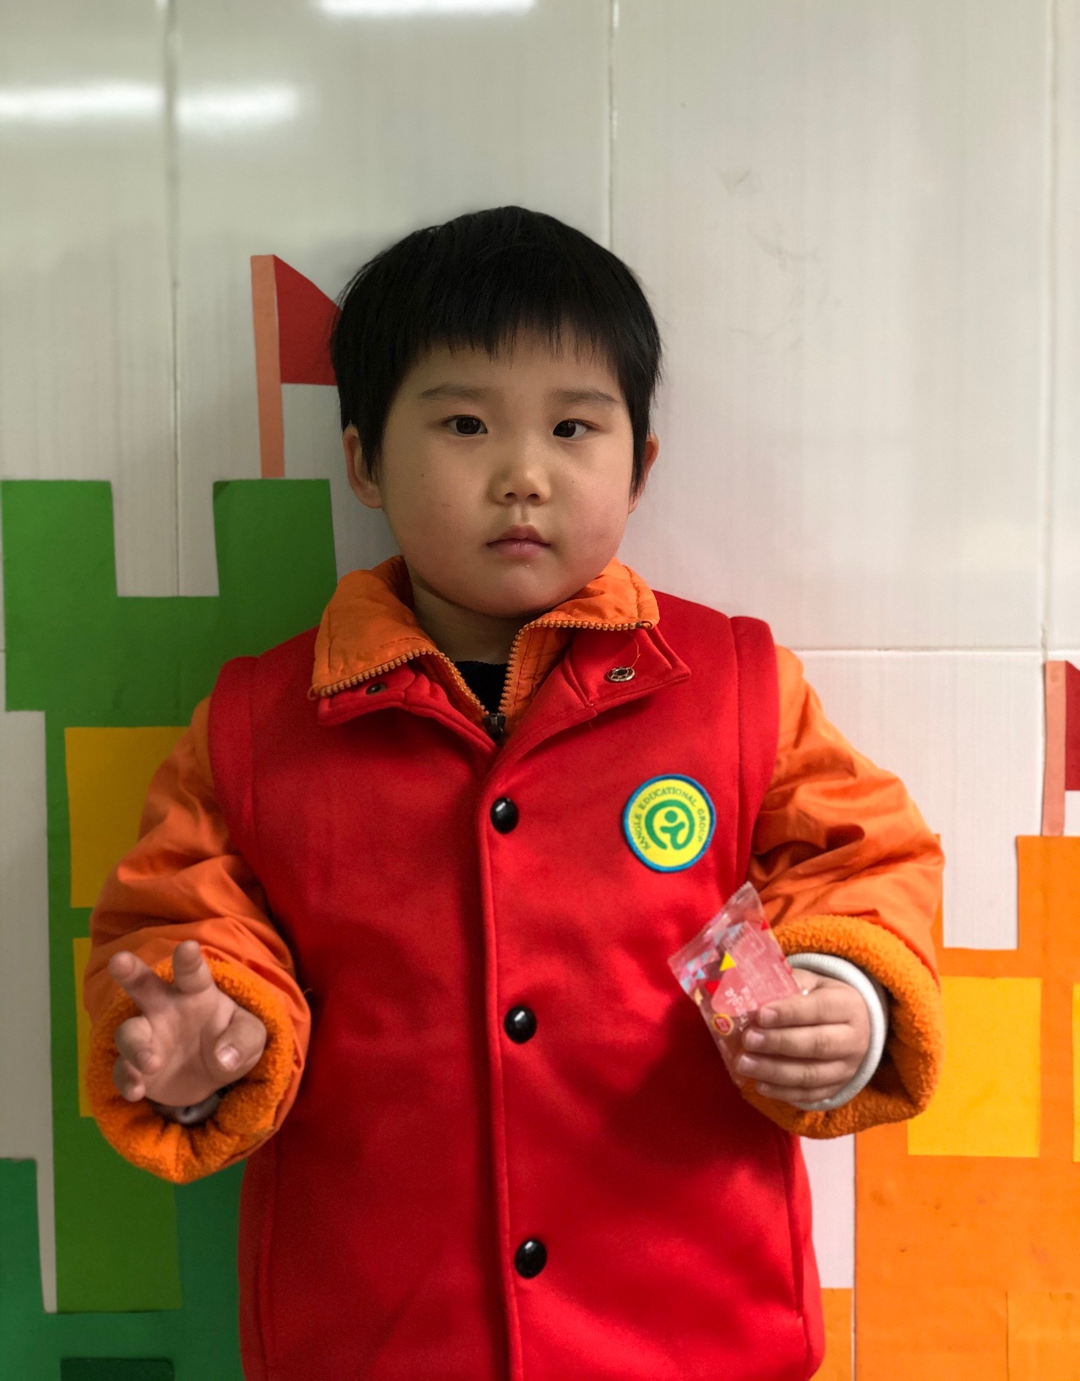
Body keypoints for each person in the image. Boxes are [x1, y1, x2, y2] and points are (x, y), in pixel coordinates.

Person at [82, 206, 944, 1381]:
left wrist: (847, 1000)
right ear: (364, 461)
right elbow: (181, 921)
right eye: (465, 424)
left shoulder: (737, 685)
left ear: (640, 466)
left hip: (693, 1334)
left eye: (573, 426)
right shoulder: (252, 726)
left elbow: (866, 856)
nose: (523, 475)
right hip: (375, 1339)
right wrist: (208, 1036)